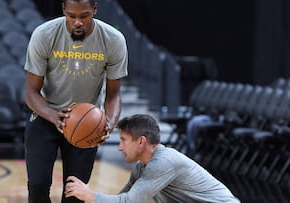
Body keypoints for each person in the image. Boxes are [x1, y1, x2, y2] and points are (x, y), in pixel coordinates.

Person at [23, 0, 128, 202]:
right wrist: (55, 116)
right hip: (46, 115)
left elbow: (114, 94)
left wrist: (109, 122)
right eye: (71, 16)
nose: (77, 22)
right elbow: (30, 92)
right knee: (37, 186)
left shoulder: (113, 40)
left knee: (76, 194)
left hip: (86, 121)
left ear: (95, 10)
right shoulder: (44, 34)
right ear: (63, 10)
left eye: (84, 16)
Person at [64, 114, 240, 203]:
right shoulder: (142, 168)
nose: (119, 147)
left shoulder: (163, 162)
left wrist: (90, 195)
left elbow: (129, 202)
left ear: (141, 141)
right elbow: (122, 199)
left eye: (123, 141)